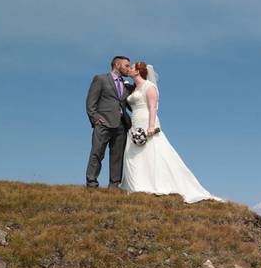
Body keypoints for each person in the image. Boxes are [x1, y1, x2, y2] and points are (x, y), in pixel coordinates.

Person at [120, 61, 220, 203]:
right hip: (135, 121)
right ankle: (136, 183)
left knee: (153, 151)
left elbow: (153, 107)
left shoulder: (150, 87)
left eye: (131, 68)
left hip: (147, 119)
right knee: (134, 153)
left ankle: (156, 182)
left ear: (137, 71)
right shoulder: (134, 88)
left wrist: (151, 126)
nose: (129, 69)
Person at [85, 56, 134, 188]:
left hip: (121, 125)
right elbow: (90, 102)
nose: (129, 68)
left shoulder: (127, 85)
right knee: (97, 153)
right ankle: (92, 182)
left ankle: (114, 185)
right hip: (103, 123)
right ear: (117, 65)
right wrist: (95, 119)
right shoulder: (100, 79)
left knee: (117, 157)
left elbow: (131, 104)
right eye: (127, 66)